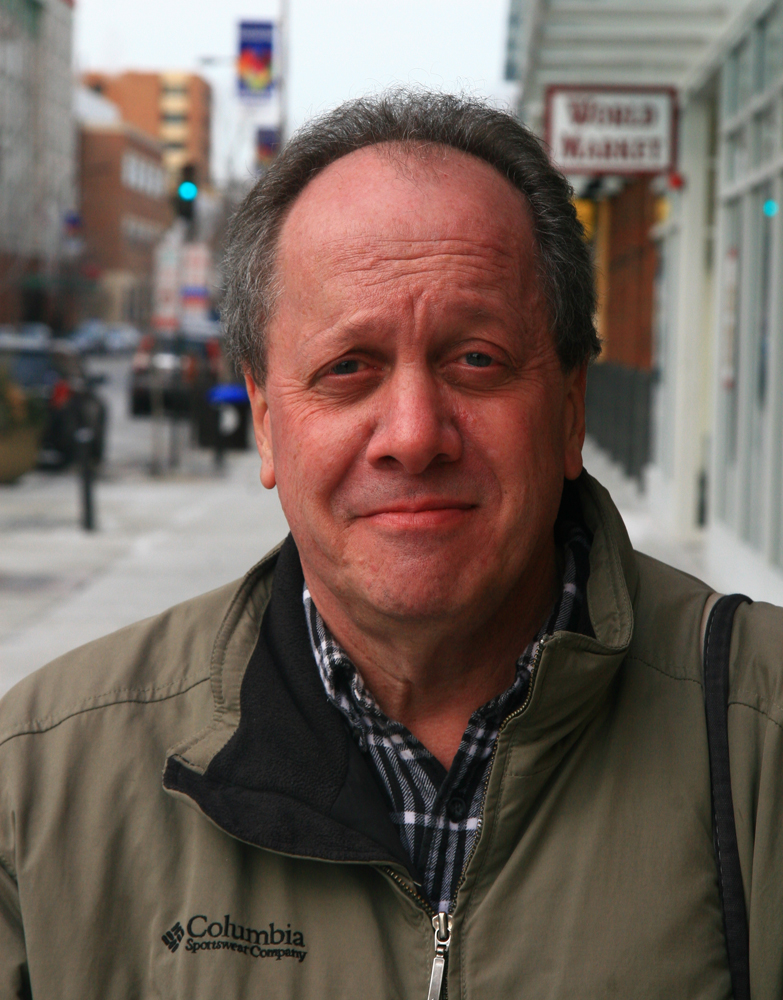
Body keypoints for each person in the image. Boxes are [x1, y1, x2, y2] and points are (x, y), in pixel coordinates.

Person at [1, 91, 781, 1000]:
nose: (413, 434)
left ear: (570, 409)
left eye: (475, 359)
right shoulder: (42, 785)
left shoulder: (757, 738)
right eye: (348, 368)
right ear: (264, 421)